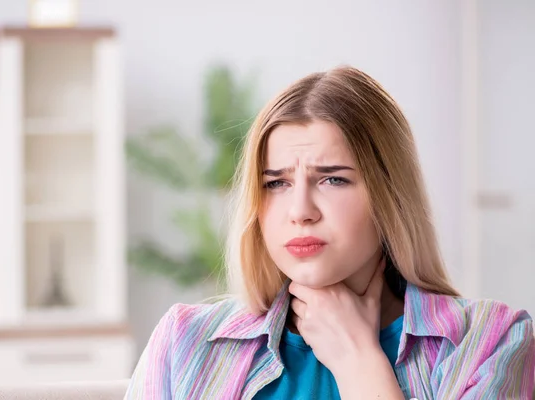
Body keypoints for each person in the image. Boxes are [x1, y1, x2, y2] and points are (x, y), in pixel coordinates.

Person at [124, 66, 535, 399]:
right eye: (276, 183)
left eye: (333, 180)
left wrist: (359, 361)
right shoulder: (186, 342)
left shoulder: (489, 342)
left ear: (389, 193)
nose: (300, 212)